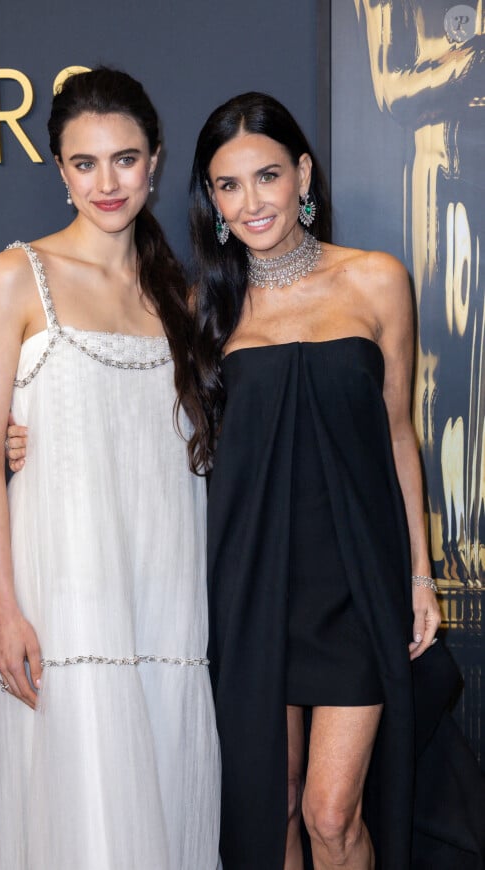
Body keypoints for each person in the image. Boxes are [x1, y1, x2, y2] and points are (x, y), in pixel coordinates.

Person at [0, 67, 220, 870]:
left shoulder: (180, 295)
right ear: (59, 170)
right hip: (65, 602)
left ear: (155, 162)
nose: (106, 183)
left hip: (167, 600)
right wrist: (7, 608)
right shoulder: (15, 277)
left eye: (125, 159)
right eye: (85, 163)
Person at [186, 92, 442, 869]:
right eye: (229, 185)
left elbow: (400, 431)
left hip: (356, 582)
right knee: (279, 805)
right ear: (214, 201)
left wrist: (421, 576)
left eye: (267, 175)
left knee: (333, 814)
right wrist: (25, 434)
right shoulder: (207, 308)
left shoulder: (375, 280)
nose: (252, 201)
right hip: (254, 582)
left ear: (302, 173)